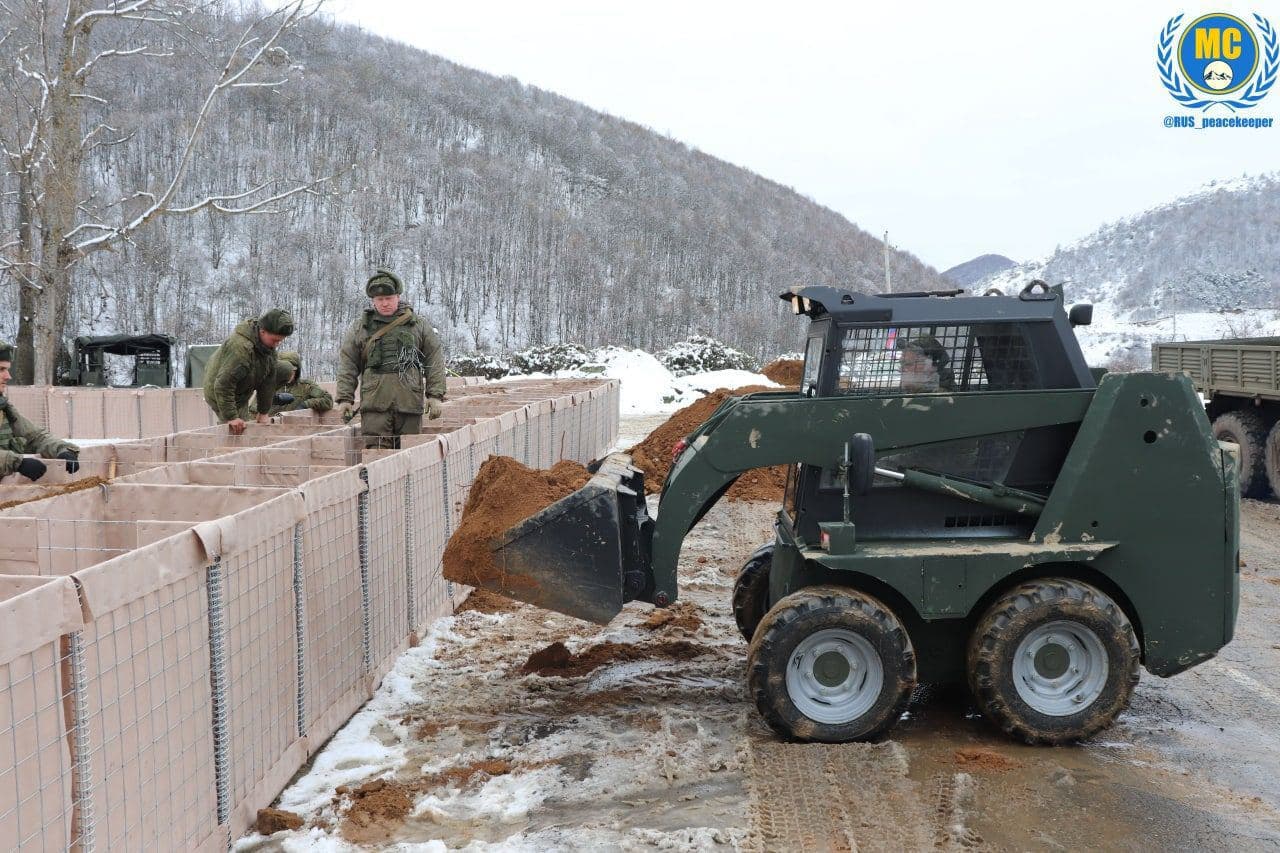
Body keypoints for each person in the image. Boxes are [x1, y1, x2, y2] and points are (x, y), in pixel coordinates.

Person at [336, 270, 445, 449]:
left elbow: (434, 360)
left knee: (411, 457)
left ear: (398, 297)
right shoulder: (360, 328)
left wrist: (435, 395)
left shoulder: (418, 325)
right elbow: (348, 364)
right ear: (373, 301)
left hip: (409, 403)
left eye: (389, 298)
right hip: (374, 405)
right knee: (376, 456)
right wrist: (344, 399)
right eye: (380, 300)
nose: (385, 303)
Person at [203, 309, 295, 435]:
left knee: (285, 369)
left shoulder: (267, 346)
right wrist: (232, 417)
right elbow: (223, 385)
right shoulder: (240, 349)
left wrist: (263, 413)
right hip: (219, 389)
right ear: (262, 331)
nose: (277, 345)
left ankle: (251, 409)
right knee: (239, 431)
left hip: (245, 379)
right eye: (274, 340)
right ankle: (230, 417)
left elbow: (269, 380)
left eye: (280, 341)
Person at [0, 340, 80, 481]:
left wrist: (62, 450)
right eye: (1, 369)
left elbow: (35, 437)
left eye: (7, 369)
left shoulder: (4, 408)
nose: (8, 376)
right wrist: (16, 462)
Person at [261, 351, 333, 415]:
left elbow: (328, 400)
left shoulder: (306, 386)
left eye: (292, 370)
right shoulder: (269, 386)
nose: (288, 374)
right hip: (271, 426)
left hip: (295, 426)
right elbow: (254, 411)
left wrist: (305, 404)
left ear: (297, 371)